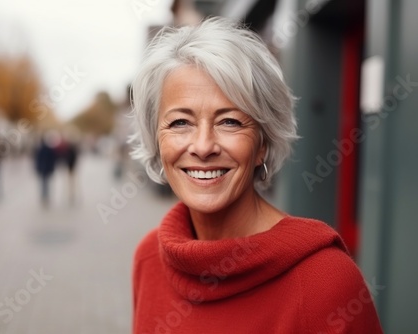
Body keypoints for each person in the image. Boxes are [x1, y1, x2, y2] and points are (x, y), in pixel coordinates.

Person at [130, 17, 383, 333]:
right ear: (156, 138)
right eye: (181, 122)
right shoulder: (148, 258)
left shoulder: (327, 283)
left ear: (262, 143)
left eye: (230, 122)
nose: (204, 145)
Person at [34, 130, 59, 207]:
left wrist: (37, 168)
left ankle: (44, 197)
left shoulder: (41, 149)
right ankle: (45, 197)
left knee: (44, 183)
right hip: (46, 169)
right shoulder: (48, 149)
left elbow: (37, 160)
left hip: (43, 169)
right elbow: (52, 160)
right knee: (45, 184)